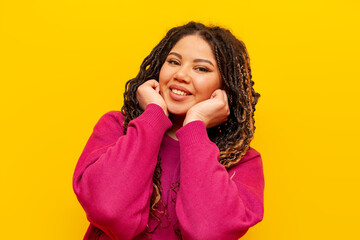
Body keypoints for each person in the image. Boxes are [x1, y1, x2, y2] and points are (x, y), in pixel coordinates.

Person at [73, 21, 264, 240]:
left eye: (201, 68)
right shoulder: (116, 128)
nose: (181, 75)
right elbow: (109, 209)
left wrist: (195, 123)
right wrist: (154, 113)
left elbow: (207, 232)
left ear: (224, 87)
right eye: (174, 62)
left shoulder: (243, 161)